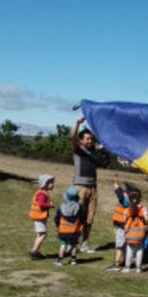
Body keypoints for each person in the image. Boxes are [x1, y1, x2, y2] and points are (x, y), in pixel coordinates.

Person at [71, 116, 100, 253]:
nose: (90, 141)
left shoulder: (93, 149)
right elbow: (72, 136)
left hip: (93, 188)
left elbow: (105, 144)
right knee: (77, 216)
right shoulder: (78, 149)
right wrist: (77, 123)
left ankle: (85, 243)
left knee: (90, 217)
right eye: (87, 139)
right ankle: (73, 242)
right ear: (81, 140)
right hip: (80, 187)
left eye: (90, 138)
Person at [53, 186, 86, 266]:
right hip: (74, 230)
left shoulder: (61, 206)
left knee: (63, 244)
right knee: (74, 244)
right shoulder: (80, 207)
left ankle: (60, 260)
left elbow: (56, 218)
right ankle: (73, 260)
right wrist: (80, 225)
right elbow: (83, 217)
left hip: (63, 230)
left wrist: (57, 226)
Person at [122, 188, 148, 273]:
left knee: (129, 250)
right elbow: (147, 219)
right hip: (140, 233)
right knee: (139, 250)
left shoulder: (127, 210)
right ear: (140, 199)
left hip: (130, 233)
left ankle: (127, 267)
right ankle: (138, 268)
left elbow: (124, 220)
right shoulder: (143, 209)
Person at [28, 174, 55, 260]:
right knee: (43, 235)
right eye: (51, 183)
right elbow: (41, 205)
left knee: (39, 234)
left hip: (39, 217)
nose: (53, 184)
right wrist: (49, 206)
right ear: (45, 184)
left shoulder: (42, 193)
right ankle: (34, 252)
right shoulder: (41, 194)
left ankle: (35, 251)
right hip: (39, 217)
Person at [106, 179, 129, 271]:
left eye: (126, 191)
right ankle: (125, 262)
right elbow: (120, 192)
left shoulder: (124, 201)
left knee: (119, 246)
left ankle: (117, 264)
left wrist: (115, 183)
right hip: (128, 228)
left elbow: (119, 192)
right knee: (126, 246)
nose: (124, 192)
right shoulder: (131, 202)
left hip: (121, 228)